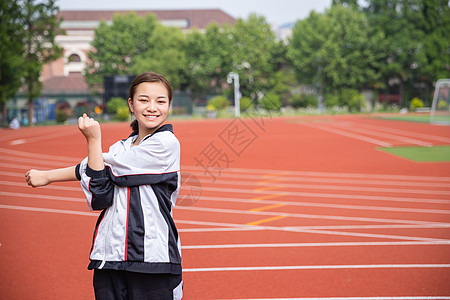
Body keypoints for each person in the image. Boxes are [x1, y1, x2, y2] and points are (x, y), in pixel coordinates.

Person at [25, 71, 183, 300]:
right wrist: (48, 176)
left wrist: (92, 141)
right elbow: (101, 194)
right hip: (110, 256)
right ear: (131, 104)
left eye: (160, 101)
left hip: (152, 259)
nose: (152, 107)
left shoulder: (166, 144)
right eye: (143, 100)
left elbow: (105, 168)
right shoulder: (121, 147)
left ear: (169, 104)